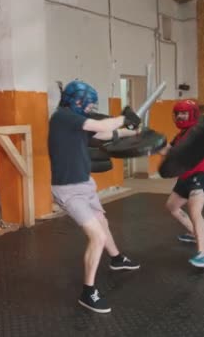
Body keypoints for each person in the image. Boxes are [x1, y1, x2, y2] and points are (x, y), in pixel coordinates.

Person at [48, 80, 141, 313]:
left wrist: (130, 130)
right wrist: (124, 117)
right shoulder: (63, 117)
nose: (89, 107)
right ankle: (88, 293)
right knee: (97, 237)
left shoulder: (77, 125)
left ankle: (117, 258)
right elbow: (102, 123)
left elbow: (104, 132)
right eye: (87, 103)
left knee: (103, 223)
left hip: (86, 185)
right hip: (68, 190)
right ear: (75, 101)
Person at [159, 99, 204, 269]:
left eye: (184, 113)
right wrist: (151, 143)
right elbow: (170, 153)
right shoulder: (180, 135)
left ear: (193, 114)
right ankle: (193, 232)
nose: (181, 116)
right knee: (172, 206)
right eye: (178, 113)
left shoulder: (197, 132)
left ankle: (202, 255)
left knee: (195, 211)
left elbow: (184, 153)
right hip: (184, 178)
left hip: (200, 176)